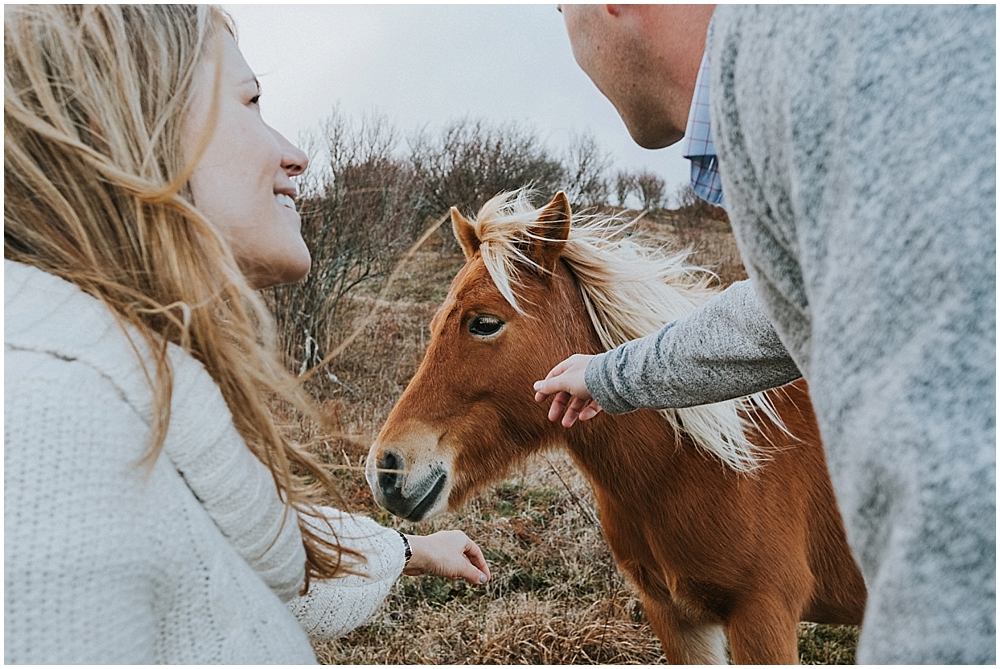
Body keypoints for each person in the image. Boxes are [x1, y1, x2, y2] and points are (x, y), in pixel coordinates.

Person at [4, 5, 489, 664]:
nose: (296, 155)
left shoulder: (124, 397)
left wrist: (409, 548)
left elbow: (232, 544)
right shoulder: (51, 432)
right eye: (251, 102)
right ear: (121, 129)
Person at [534, 5, 995, 664]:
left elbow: (963, 493)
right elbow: (783, 307)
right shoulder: (785, 78)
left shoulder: (830, 51)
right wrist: (611, 374)